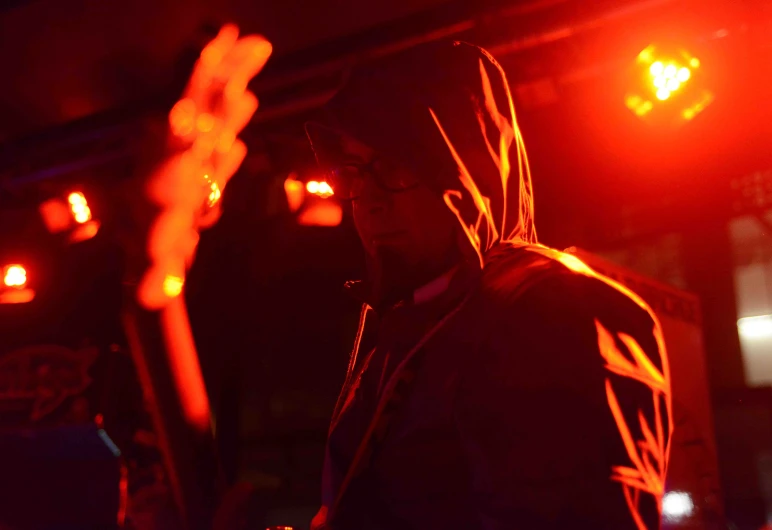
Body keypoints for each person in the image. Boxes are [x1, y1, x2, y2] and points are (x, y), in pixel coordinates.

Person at [304, 40, 673, 530]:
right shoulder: (414, 323)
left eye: (394, 166)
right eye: (351, 170)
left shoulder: (557, 308)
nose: (367, 200)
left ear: (465, 170)